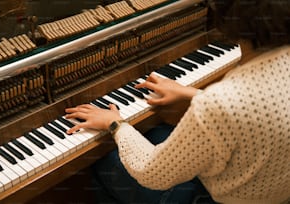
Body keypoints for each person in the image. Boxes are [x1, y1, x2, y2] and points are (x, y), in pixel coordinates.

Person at [64, 0, 290, 203]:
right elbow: (265, 106)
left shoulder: (221, 102)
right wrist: (192, 93)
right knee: (156, 132)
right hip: (273, 187)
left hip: (217, 198)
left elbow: (151, 173)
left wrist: (115, 124)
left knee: (102, 158)